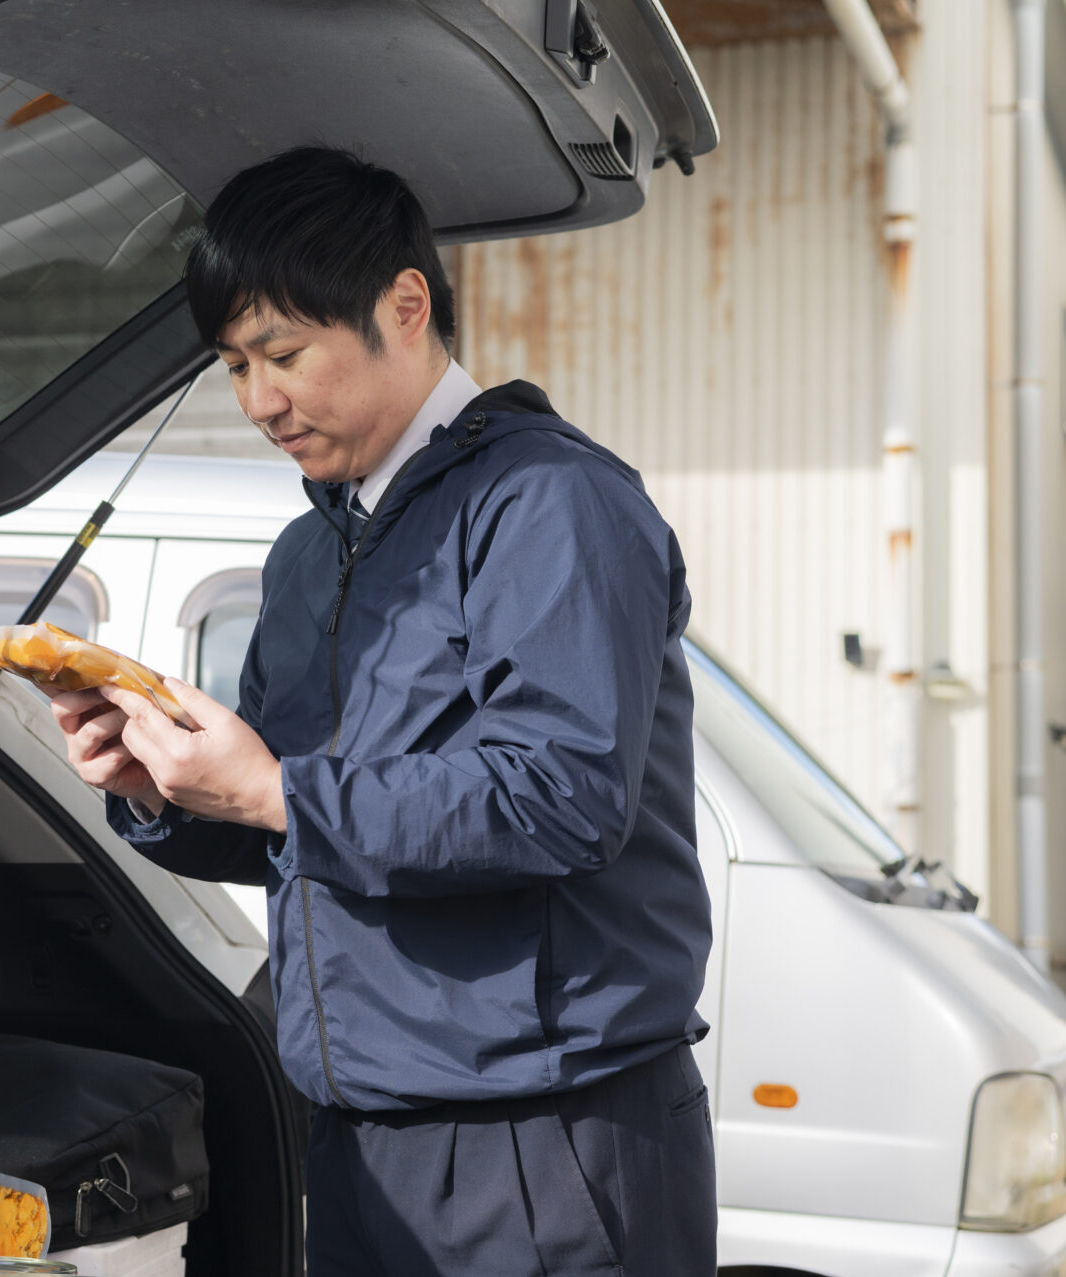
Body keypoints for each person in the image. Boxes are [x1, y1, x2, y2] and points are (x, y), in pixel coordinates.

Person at [49, 147, 715, 1276]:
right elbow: (294, 823)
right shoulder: (312, 549)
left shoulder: (547, 501)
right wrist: (163, 786)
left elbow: (561, 798)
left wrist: (275, 786)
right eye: (232, 365)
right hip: (358, 1128)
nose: (261, 399)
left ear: (406, 305)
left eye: (285, 352)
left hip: (540, 1140)